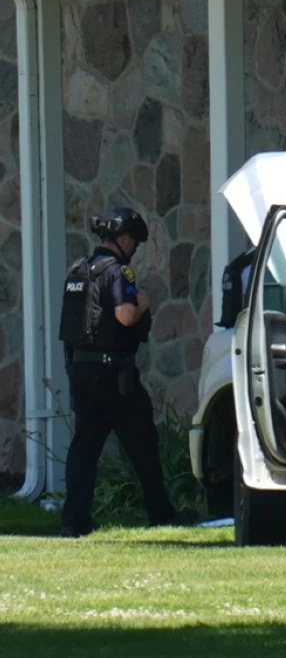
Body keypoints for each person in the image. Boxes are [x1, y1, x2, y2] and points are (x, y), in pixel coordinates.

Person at [57, 208, 185, 537]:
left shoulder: (79, 270)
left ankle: (74, 522)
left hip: (81, 370)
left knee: (84, 446)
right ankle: (161, 513)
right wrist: (143, 302)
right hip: (113, 374)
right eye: (135, 243)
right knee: (143, 441)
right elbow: (126, 316)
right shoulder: (117, 272)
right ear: (124, 238)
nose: (135, 249)